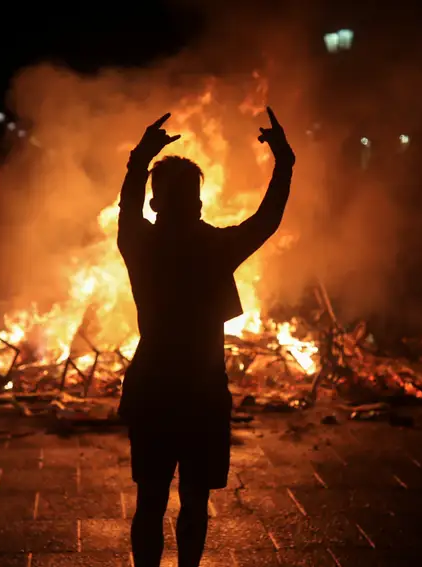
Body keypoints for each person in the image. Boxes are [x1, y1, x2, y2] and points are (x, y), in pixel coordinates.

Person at [117, 108, 295, 567]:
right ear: (199, 203)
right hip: (202, 395)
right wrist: (284, 163)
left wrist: (139, 160)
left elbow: (128, 208)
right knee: (194, 502)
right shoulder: (215, 248)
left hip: (153, 389)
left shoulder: (139, 244)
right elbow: (267, 219)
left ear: (157, 204)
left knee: (150, 500)